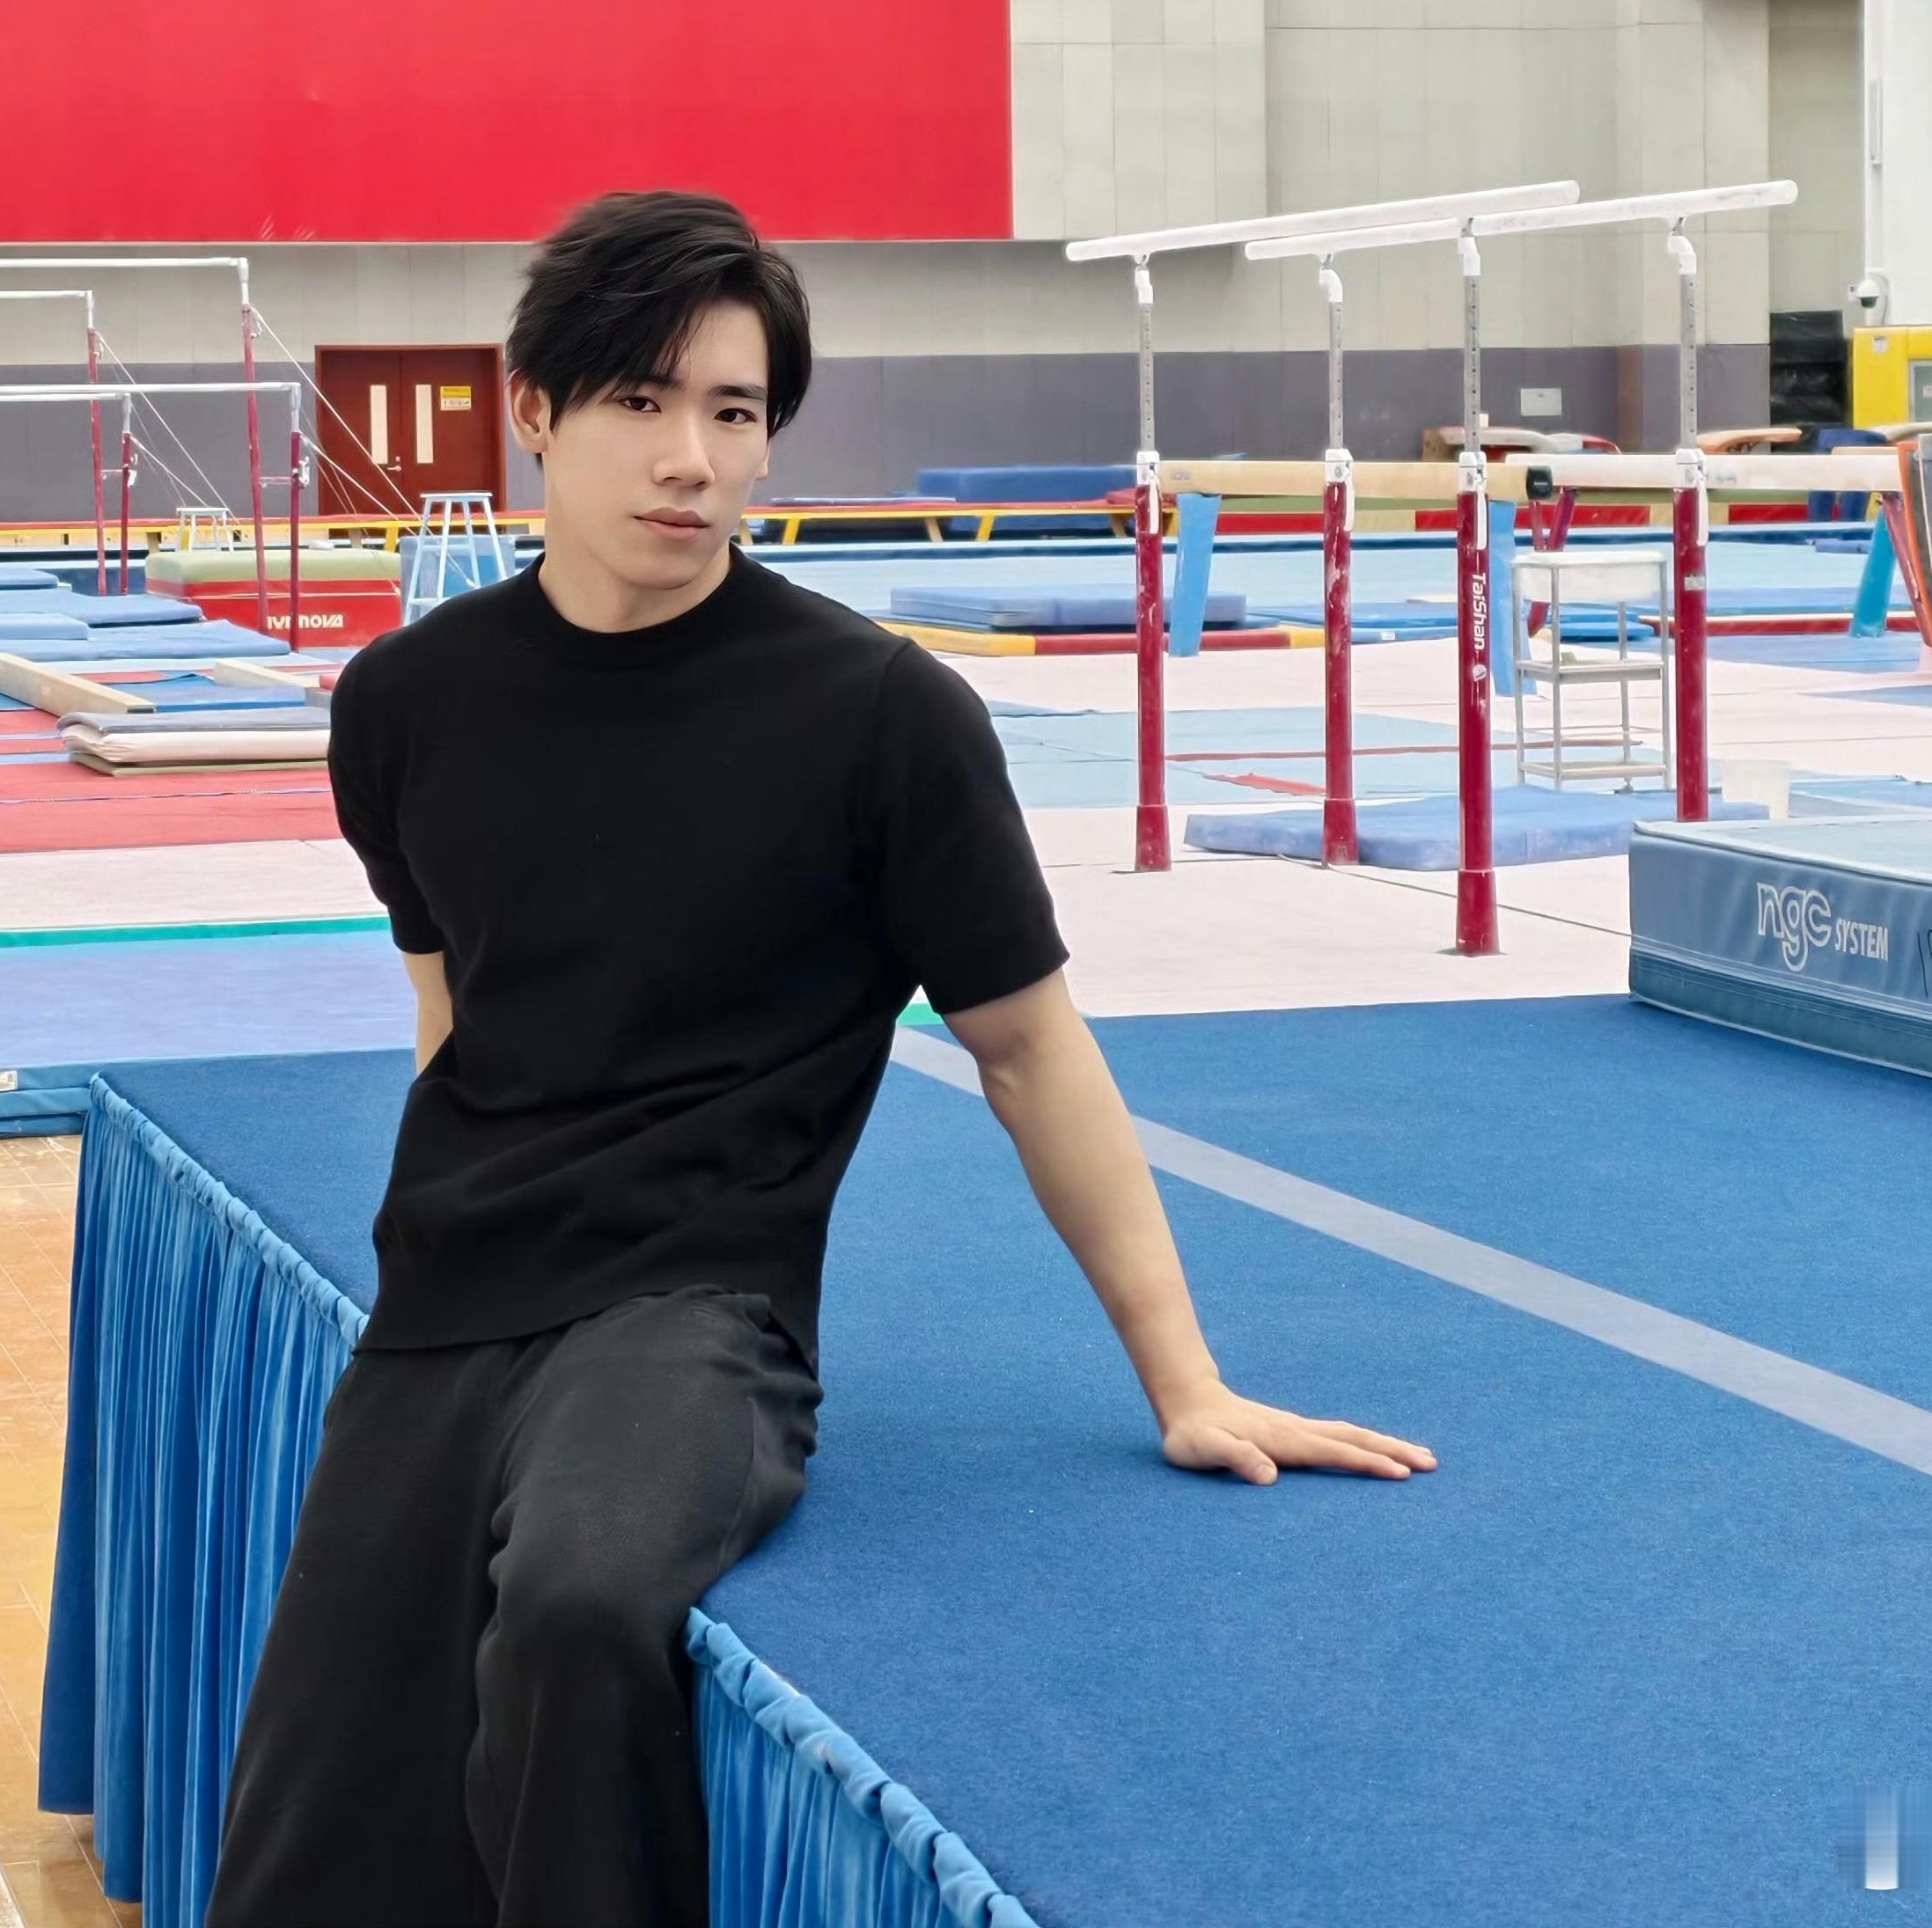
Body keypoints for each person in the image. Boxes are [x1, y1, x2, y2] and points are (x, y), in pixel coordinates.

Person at [206, 190, 1433, 1928]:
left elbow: (1029, 1048)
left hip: (698, 1299)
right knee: (323, 1795)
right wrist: (432, 1257)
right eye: (641, 402)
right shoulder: (404, 702)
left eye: (734, 412)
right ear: (532, 410)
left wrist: (1186, 1383)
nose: (691, 459)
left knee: (576, 1605)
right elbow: (453, 1008)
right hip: (454, 1291)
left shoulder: (877, 718)